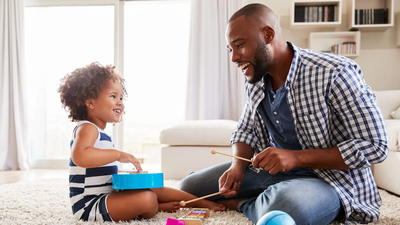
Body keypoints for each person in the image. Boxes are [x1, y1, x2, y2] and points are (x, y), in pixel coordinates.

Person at [179, 3, 388, 225]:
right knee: (190, 187)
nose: (234, 58)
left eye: (239, 45)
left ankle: (242, 203)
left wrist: (296, 158)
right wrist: (237, 166)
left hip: (329, 180)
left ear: (268, 34)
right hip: (274, 172)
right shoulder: (255, 79)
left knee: (284, 206)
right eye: (230, 49)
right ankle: (265, 197)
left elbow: (376, 146)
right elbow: (246, 129)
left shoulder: (335, 72)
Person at [58, 62, 226, 222]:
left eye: (121, 97)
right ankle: (158, 207)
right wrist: (119, 155)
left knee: (151, 188)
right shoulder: (87, 128)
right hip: (90, 205)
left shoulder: (102, 134)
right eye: (113, 96)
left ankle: (199, 202)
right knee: (147, 198)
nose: (120, 102)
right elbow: (80, 156)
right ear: (90, 102)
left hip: (107, 195)